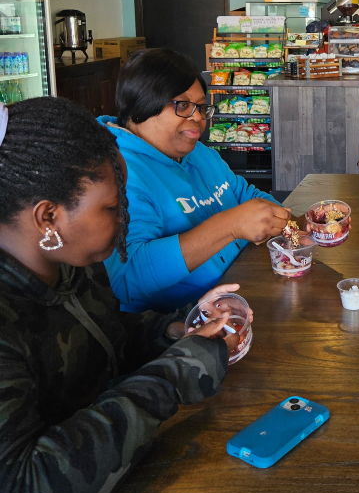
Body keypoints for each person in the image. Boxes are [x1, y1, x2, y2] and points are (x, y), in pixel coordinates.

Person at [0, 96, 348, 493]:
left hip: (103, 481)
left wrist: (175, 331)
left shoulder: (65, 262)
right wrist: (175, 374)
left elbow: (100, 340)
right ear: (48, 216)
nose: (125, 223)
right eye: (112, 209)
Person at [98, 47, 290, 312]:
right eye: (183, 105)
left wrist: (290, 225)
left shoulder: (199, 153)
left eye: (200, 106)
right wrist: (229, 226)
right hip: (178, 321)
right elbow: (127, 279)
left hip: (240, 290)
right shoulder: (116, 173)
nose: (198, 117)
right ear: (141, 104)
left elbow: (243, 193)